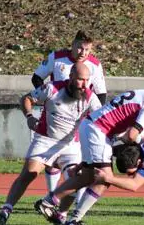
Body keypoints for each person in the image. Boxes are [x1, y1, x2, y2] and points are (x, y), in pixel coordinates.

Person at [35, 69, 144, 225]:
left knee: (91, 176)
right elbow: (131, 136)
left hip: (94, 128)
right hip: (99, 130)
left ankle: (68, 216)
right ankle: (53, 204)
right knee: (104, 178)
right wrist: (137, 153)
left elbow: (131, 131)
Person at [0, 63, 101, 225]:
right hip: (45, 140)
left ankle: (61, 214)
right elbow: (26, 99)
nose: (84, 84)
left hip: (70, 145)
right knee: (29, 173)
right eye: (80, 80)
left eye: (87, 80)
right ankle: (6, 209)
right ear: (71, 76)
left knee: (76, 179)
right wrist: (30, 117)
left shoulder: (90, 97)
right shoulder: (52, 88)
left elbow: (102, 118)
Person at [32, 30, 107, 203]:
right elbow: (37, 77)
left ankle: (61, 198)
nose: (83, 53)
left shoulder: (95, 64)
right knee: (51, 156)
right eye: (80, 48)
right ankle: (52, 195)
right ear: (73, 44)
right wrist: (46, 98)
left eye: (87, 49)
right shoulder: (57, 57)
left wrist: (93, 115)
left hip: (78, 116)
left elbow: (101, 93)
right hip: (55, 114)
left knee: (74, 158)